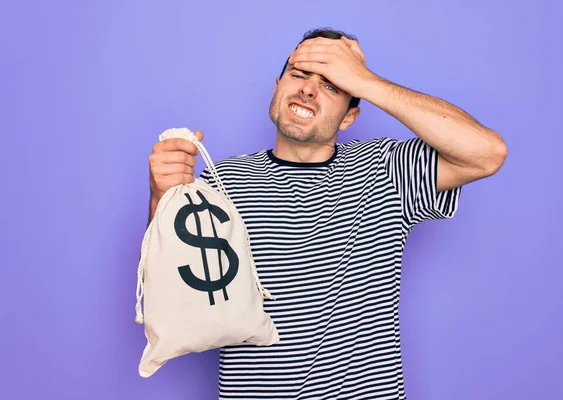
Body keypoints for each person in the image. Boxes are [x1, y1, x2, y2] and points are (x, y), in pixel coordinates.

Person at [147, 28, 507, 400]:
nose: (308, 89)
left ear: (351, 117)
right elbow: (171, 284)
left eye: (332, 85)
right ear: (278, 85)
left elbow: (486, 153)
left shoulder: (387, 169)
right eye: (299, 75)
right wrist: (161, 198)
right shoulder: (225, 180)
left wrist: (365, 81)